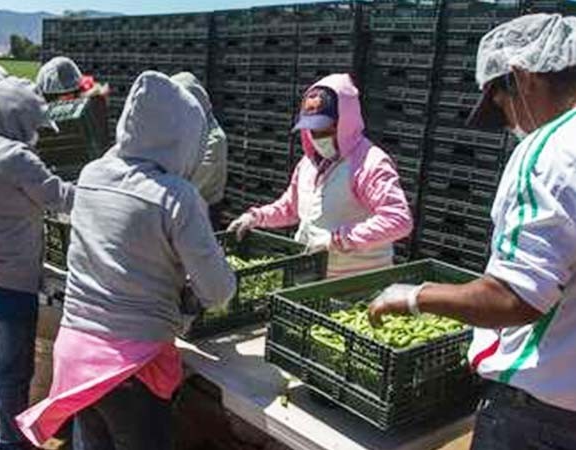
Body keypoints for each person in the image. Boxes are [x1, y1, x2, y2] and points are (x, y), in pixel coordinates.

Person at [367, 14, 576, 450]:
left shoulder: (549, 151)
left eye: (500, 103)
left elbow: (514, 298)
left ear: (522, 77)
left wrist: (414, 296)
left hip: (540, 415)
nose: (507, 121)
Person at [17, 71, 237, 450]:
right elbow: (217, 290)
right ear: (183, 137)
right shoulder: (176, 196)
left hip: (77, 354)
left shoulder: (92, 174)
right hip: (130, 368)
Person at [0, 77, 73, 450]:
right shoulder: (16, 157)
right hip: (9, 278)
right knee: (13, 369)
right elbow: (59, 198)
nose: (35, 133)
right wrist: (101, 184)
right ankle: (11, 442)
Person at [227, 74, 413, 278]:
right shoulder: (308, 164)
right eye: (312, 130)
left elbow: (398, 219)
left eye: (324, 129)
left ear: (345, 122)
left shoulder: (370, 163)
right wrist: (256, 217)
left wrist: (338, 240)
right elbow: (290, 207)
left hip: (356, 283)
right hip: (310, 276)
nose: (318, 137)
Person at [171, 72, 228, 228]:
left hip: (201, 216)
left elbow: (190, 189)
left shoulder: (214, 141)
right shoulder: (186, 130)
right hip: (179, 212)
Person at [36, 56, 110, 154]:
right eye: (63, 95)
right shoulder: (38, 115)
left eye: (71, 93)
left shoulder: (90, 107)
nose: (69, 100)